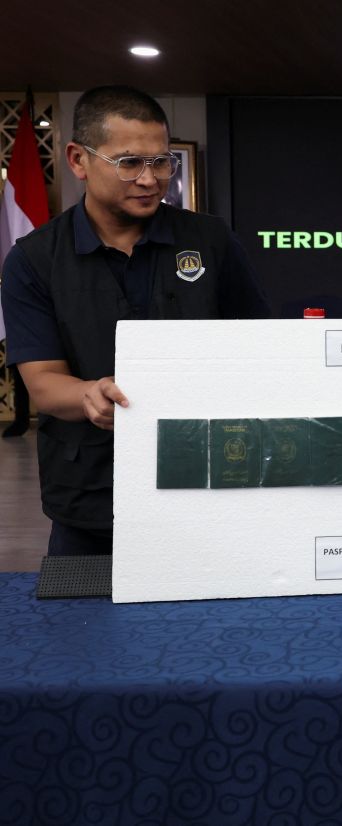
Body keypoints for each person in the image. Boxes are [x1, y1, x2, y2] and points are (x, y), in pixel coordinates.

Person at [0, 86, 269, 556]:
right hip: (89, 495)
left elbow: (259, 344)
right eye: (129, 163)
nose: (150, 179)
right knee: (87, 624)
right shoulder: (34, 259)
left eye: (161, 161)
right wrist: (88, 394)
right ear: (78, 160)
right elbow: (43, 383)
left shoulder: (210, 241)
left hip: (209, 484)